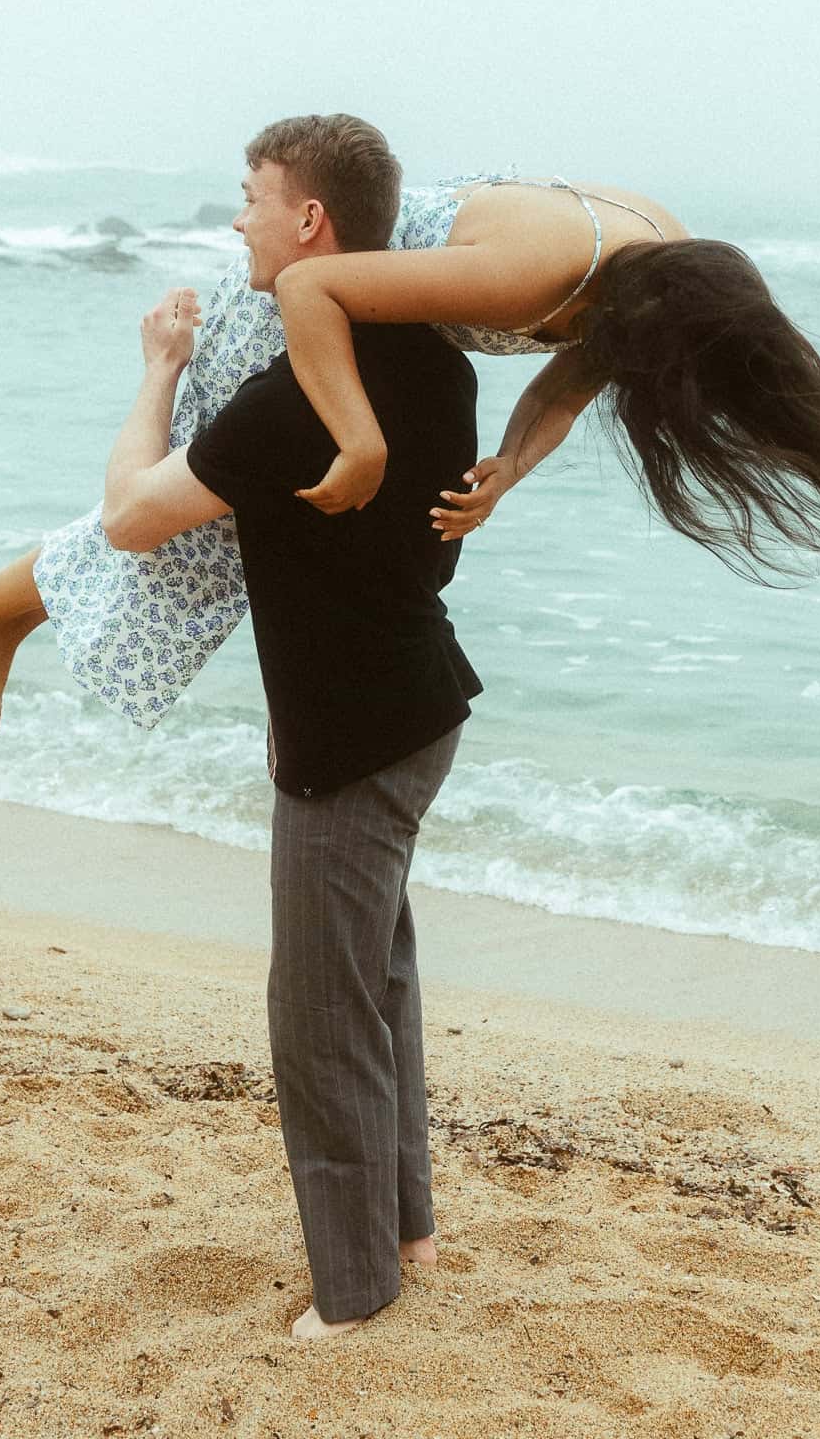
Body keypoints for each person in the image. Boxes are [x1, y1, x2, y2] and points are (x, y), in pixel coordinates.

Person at [0, 113, 820, 732]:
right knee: (201, 508)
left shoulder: (668, 278)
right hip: (319, 291)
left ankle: (9, 610)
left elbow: (570, 379)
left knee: (217, 517)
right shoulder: (532, 272)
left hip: (368, 304)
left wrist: (509, 462)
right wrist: (361, 439)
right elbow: (318, 285)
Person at [96, 214, 481, 1338]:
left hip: (351, 735)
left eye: (252, 195)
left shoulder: (288, 401)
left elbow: (129, 515)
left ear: (312, 219)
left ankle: (356, 1293)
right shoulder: (438, 359)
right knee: (375, 982)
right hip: (420, 703)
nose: (238, 221)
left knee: (319, 1011)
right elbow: (439, 540)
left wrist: (161, 368)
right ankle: (404, 1226)